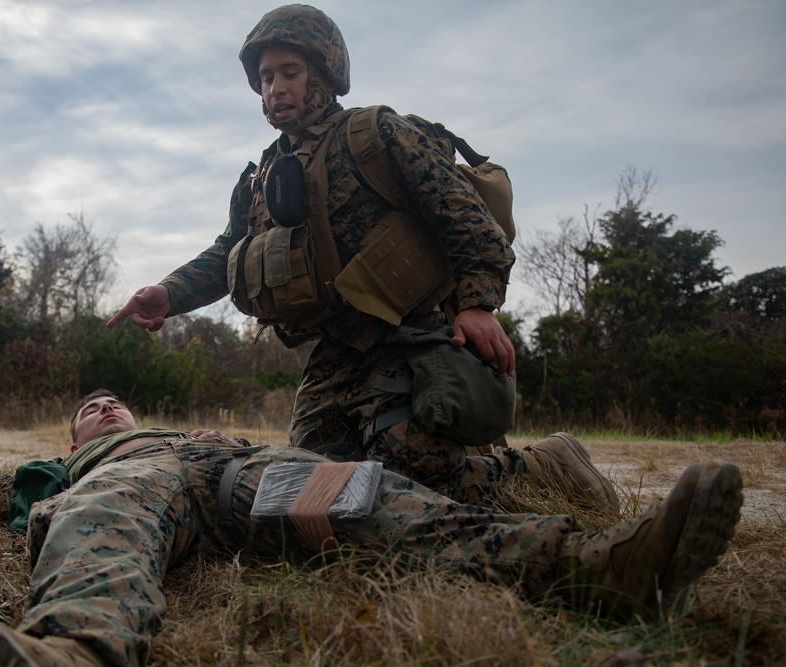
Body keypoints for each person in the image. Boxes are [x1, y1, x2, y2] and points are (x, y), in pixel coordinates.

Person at [0, 389, 744, 667]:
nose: (101, 404)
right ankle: (73, 651)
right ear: (73, 436)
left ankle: (596, 566)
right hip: (137, 491)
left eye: (110, 398)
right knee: (102, 519)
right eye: (87, 408)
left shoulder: (197, 430)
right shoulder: (64, 471)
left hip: (238, 472)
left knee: (368, 497)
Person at [106, 4, 587, 505]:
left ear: (326, 74)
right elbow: (228, 253)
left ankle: (545, 466)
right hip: (335, 356)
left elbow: (468, 218)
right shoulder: (260, 178)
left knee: (407, 481)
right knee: (307, 488)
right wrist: (168, 294)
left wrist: (477, 304)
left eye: (290, 72)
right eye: (266, 77)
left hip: (410, 335)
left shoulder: (375, 134)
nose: (276, 88)